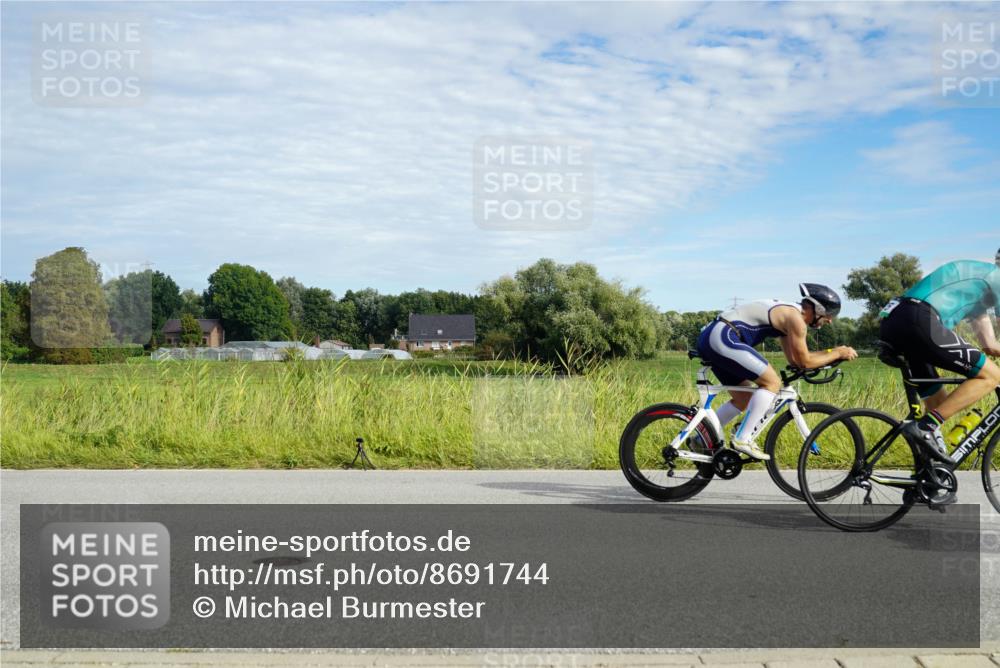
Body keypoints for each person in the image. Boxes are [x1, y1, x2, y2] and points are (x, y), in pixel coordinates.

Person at [695, 284, 858, 460]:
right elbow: (805, 361)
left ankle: (699, 440)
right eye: (829, 315)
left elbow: (797, 361)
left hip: (715, 337)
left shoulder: (789, 319)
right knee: (772, 382)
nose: (830, 320)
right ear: (818, 309)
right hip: (724, 337)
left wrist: (831, 355)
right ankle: (743, 439)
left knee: (744, 399)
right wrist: (838, 352)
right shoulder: (796, 319)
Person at [880, 249, 1000, 463]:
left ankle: (931, 479)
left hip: (896, 319)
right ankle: (924, 427)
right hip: (920, 319)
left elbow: (990, 345)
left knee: (939, 403)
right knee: (992, 376)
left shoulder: (977, 291)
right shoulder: (996, 276)